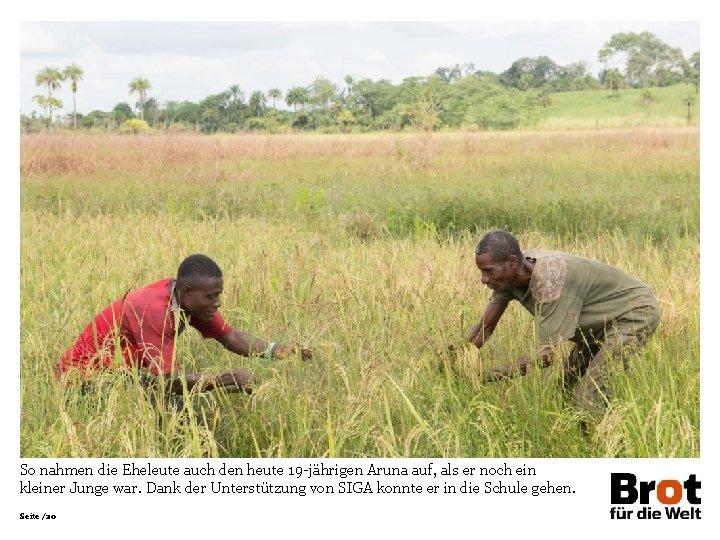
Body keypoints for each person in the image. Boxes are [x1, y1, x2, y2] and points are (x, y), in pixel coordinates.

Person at [56, 254, 312, 407]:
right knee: (172, 408)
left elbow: (232, 338)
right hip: (83, 382)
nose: (218, 303)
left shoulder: (188, 303)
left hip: (119, 376)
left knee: (172, 408)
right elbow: (166, 381)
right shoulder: (154, 309)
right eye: (211, 296)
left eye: (218, 295)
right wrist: (223, 380)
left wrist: (280, 351)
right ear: (188, 291)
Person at [464, 230, 660, 424]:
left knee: (587, 399)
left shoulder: (549, 281)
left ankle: (599, 449)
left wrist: (486, 376)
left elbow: (546, 356)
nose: (483, 279)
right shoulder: (509, 277)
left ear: (512, 262)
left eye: (489, 271)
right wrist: (455, 360)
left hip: (632, 313)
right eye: (482, 272)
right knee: (565, 388)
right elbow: (484, 329)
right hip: (596, 326)